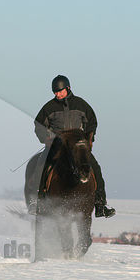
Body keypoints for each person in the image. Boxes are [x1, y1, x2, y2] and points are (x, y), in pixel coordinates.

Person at [25, 75, 116, 218]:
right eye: (55, 92)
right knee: (42, 165)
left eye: (60, 91)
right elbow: (38, 125)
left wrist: (88, 139)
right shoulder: (49, 107)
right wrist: (46, 139)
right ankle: (37, 202)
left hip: (76, 146)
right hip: (57, 145)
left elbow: (92, 122)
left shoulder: (81, 104)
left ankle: (100, 204)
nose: (57, 94)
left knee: (95, 167)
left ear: (68, 88)